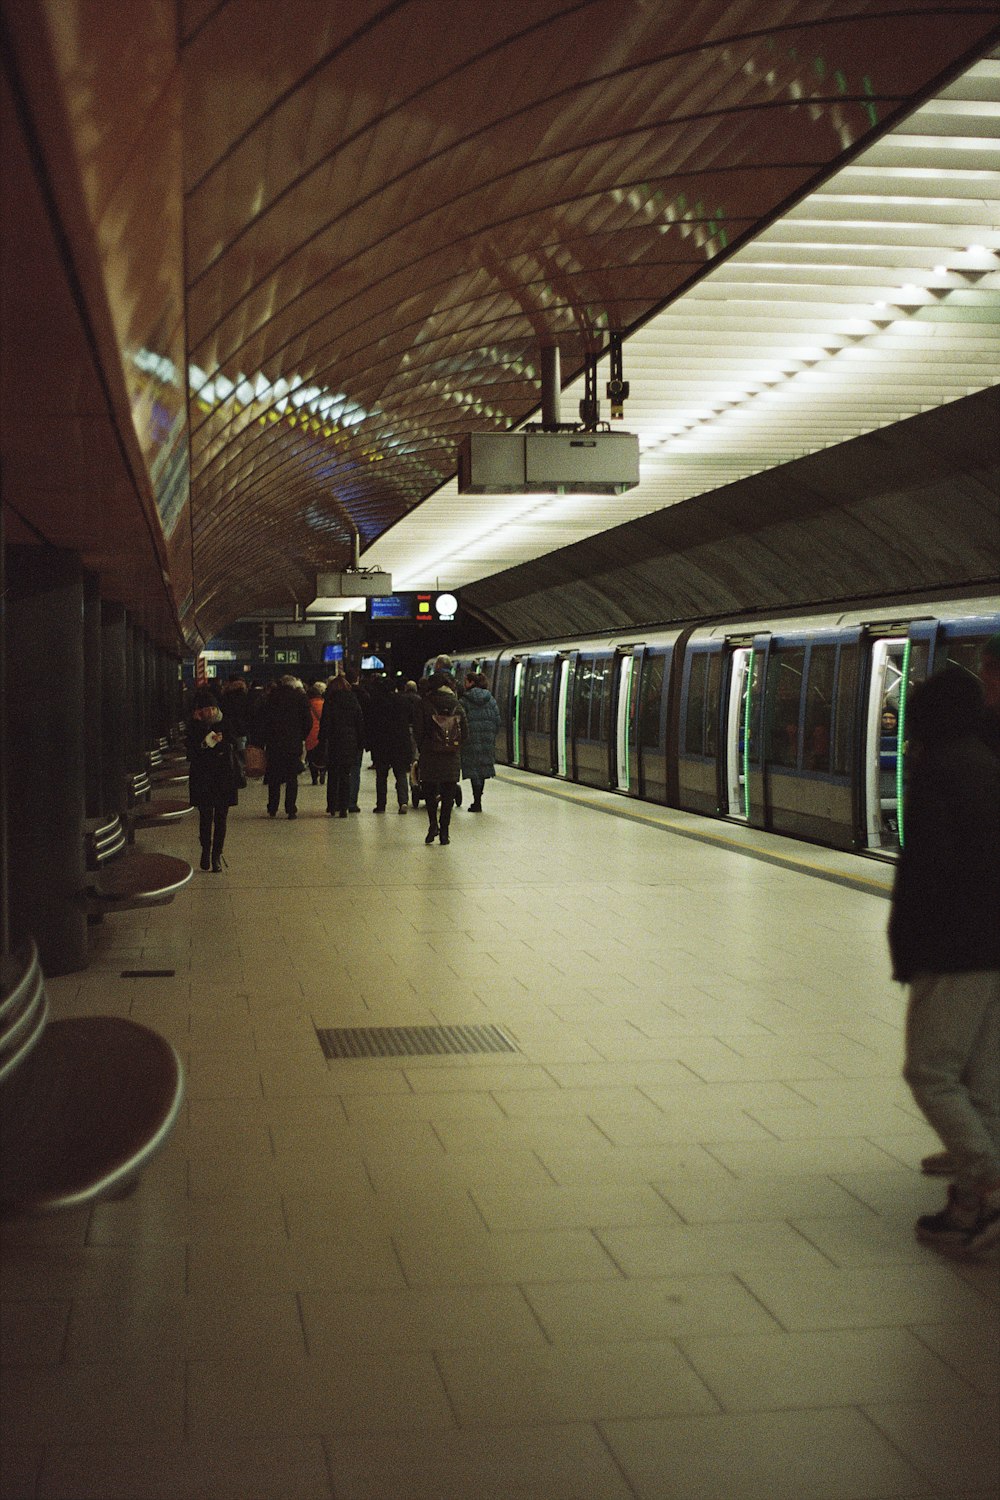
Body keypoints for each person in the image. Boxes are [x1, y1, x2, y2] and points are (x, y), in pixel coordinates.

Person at [887, 667, 1000, 1254]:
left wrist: (908, 950)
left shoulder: (936, 771)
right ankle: (968, 1211)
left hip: (953, 949)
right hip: (993, 946)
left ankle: (986, 1180)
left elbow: (925, 873)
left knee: (930, 1071)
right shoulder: (985, 761)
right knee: (982, 1083)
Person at [186, 687, 241, 871]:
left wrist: (222, 741)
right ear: (199, 711)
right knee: (205, 816)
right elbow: (190, 752)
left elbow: (235, 744)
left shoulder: (225, 723)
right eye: (206, 709)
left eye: (213, 708)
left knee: (221, 817)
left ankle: (217, 854)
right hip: (203, 777)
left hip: (224, 776)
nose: (210, 712)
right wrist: (203, 737)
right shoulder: (194, 726)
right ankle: (205, 849)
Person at [415, 680, 467, 844]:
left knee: (430, 792)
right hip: (451, 757)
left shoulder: (424, 704)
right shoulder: (457, 705)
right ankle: (445, 831)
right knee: (448, 795)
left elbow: (418, 731)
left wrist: (424, 747)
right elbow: (465, 732)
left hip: (429, 756)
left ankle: (433, 825)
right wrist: (454, 746)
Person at [256, 674, 312, 819]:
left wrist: (265, 739)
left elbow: (263, 720)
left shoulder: (271, 697)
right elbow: (308, 721)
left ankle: (273, 807)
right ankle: (291, 809)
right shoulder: (300, 698)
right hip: (293, 743)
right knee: (292, 777)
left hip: (274, 743)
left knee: (274, 777)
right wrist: (301, 736)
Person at [366, 676, 414, 813]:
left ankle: (381, 805)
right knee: (400, 774)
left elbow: (370, 724)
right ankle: (403, 802)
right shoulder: (403, 700)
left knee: (381, 776)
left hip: (381, 744)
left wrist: (370, 744)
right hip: (400, 743)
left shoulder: (375, 702)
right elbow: (410, 719)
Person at [320, 674, 365, 817]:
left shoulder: (330, 701)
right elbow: (359, 722)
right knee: (346, 775)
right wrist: (360, 742)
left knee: (333, 775)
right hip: (349, 743)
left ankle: (332, 806)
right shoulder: (352, 700)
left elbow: (325, 723)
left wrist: (322, 740)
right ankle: (344, 808)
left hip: (334, 742)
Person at [459, 671, 501, 812]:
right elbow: (497, 720)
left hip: (470, 741)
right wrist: (491, 735)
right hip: (487, 740)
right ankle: (478, 800)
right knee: (482, 770)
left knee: (473, 770)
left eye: (466, 681)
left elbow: (460, 722)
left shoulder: (463, 701)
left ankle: (476, 801)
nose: (464, 684)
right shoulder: (491, 700)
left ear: (471, 682)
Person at [306, 681, 326, 784]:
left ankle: (314, 778)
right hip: (322, 733)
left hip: (310, 734)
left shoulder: (307, 705)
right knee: (322, 756)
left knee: (311, 757)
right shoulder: (324, 704)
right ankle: (323, 771)